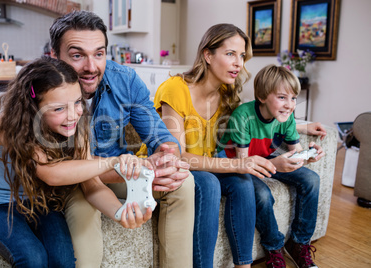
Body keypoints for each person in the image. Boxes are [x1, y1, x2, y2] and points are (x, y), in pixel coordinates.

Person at [154, 24, 327, 268]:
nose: (239, 63)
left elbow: (252, 119)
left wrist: (301, 127)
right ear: (207, 54)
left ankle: (243, 265)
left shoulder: (227, 91)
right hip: (180, 165)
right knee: (210, 182)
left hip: (210, 162)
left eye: (242, 55)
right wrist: (237, 163)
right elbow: (180, 156)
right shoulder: (175, 89)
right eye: (230, 54)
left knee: (244, 182)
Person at [0, 57, 153, 268]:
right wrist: (111, 162)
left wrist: (120, 212)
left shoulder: (79, 127)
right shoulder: (8, 123)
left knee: (63, 260)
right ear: (33, 107)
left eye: (77, 102)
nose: (72, 116)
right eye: (58, 109)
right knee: (33, 259)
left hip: (41, 204)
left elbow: (92, 185)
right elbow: (50, 173)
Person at [49, 11, 194, 267]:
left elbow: (162, 137)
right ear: (54, 55)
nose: (91, 67)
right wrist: (129, 169)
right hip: (70, 182)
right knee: (83, 209)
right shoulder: (43, 89)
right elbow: (69, 172)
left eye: (99, 53)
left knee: (183, 183)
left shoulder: (125, 81)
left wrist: (167, 158)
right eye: (77, 55)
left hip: (113, 173)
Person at [218, 64, 325, 268]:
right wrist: (275, 164)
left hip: (263, 156)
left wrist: (308, 155)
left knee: (311, 179)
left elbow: (296, 151)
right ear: (263, 97)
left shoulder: (287, 117)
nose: (290, 105)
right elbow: (246, 163)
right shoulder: (243, 116)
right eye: (282, 97)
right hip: (238, 162)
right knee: (263, 194)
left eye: (293, 98)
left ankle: (299, 244)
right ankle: (274, 247)